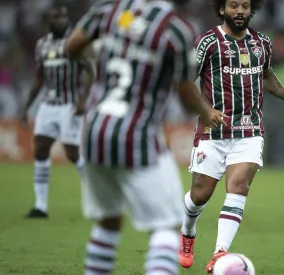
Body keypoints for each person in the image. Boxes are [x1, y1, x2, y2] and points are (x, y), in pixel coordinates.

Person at [65, 0, 226, 274]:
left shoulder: (111, 10)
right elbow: (187, 96)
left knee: (108, 222)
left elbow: (72, 47)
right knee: (165, 227)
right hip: (137, 135)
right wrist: (205, 110)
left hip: (95, 131)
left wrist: (103, 60)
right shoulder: (176, 30)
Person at [178, 0, 284, 273]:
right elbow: (186, 79)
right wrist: (204, 109)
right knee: (200, 195)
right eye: (234, 6)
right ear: (222, 9)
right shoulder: (208, 42)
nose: (240, 11)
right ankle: (187, 232)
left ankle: (219, 253)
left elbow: (267, 74)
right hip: (213, 131)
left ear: (251, 10)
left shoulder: (261, 43)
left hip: (249, 131)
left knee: (239, 187)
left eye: (245, 6)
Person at [20, 4, 94, 219]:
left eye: (62, 16)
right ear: (48, 22)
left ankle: (95, 194)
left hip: (69, 105)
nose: (60, 20)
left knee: (72, 152)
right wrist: (26, 107)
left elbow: (90, 72)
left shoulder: (75, 42)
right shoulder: (41, 45)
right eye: (56, 17)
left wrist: (82, 99)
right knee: (41, 149)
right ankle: (40, 205)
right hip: (47, 105)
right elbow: (39, 77)